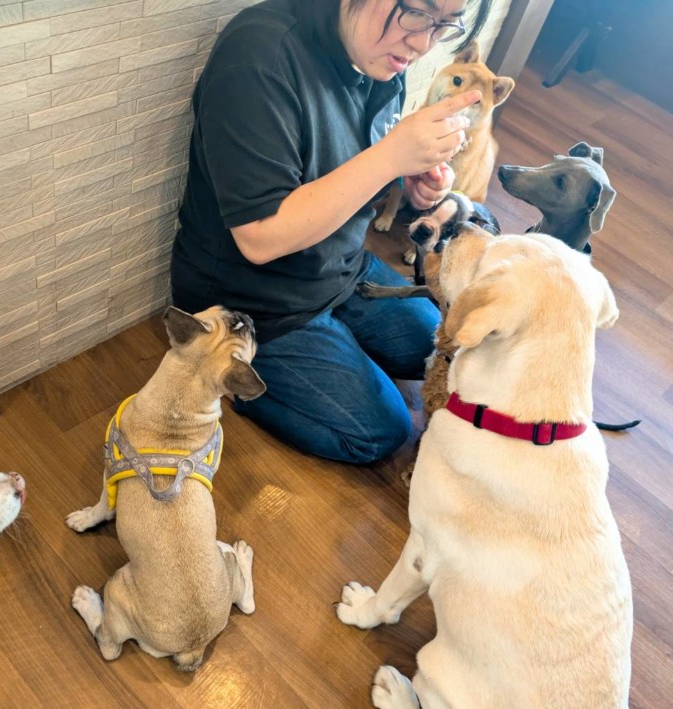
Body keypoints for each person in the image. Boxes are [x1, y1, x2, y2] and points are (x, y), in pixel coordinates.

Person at [171, 0, 491, 463]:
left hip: (340, 266)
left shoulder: (379, 56)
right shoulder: (258, 58)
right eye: (417, 12)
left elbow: (353, 169)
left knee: (447, 345)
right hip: (250, 301)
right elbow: (259, 237)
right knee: (380, 432)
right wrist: (390, 157)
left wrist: (409, 178)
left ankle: (336, 343)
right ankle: (227, 373)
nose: (423, 43)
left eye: (444, 25)